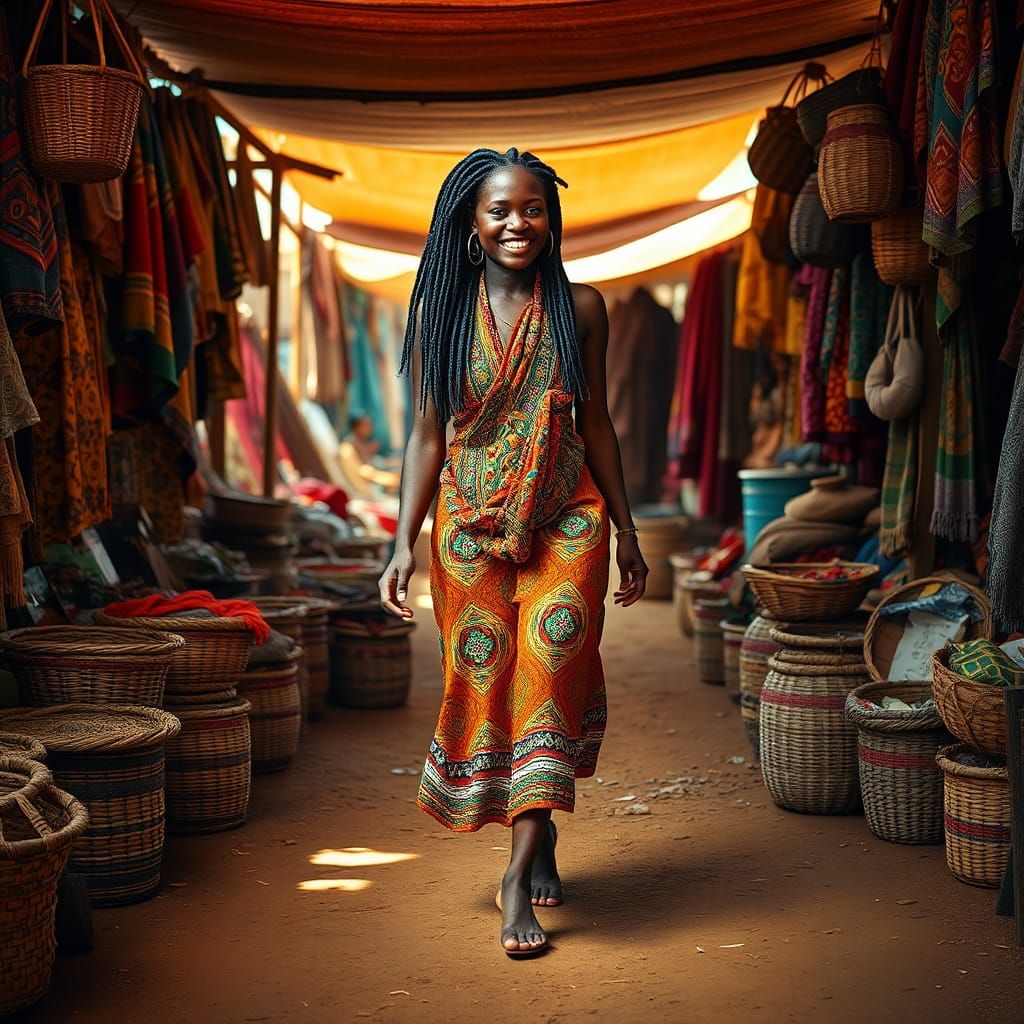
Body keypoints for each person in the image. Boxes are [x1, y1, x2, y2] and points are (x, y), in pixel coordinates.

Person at [379, 148, 647, 958]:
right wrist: (400, 545)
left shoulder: (582, 307)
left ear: (551, 219)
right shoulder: (441, 313)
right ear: (471, 221)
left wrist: (628, 530)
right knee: (490, 680)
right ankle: (541, 833)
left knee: (552, 666)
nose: (517, 223)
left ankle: (516, 874)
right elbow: (426, 438)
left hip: (568, 518)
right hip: (468, 527)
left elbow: (597, 423)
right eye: (499, 210)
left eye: (533, 209)